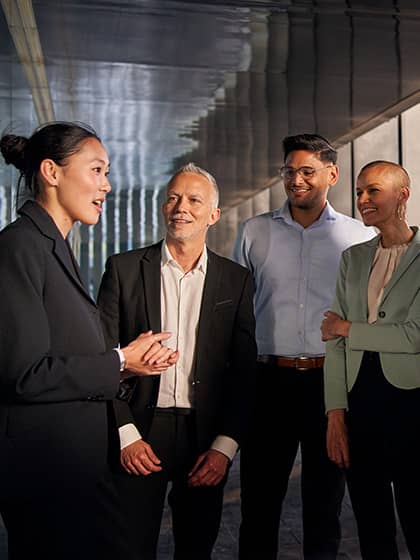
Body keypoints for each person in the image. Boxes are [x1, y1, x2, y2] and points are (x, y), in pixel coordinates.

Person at [0, 121, 178, 560]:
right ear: (51, 172)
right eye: (97, 170)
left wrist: (130, 357)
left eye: (108, 172)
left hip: (74, 468)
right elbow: (24, 374)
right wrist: (119, 360)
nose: (107, 185)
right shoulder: (20, 247)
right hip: (46, 472)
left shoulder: (54, 246)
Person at [97, 162, 257, 560]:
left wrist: (225, 447)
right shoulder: (124, 269)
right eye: (172, 197)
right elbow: (101, 358)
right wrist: (125, 435)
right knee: (129, 547)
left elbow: (243, 371)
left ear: (213, 215)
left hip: (203, 437)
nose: (180, 206)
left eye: (193, 199)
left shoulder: (236, 280)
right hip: (138, 430)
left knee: (196, 548)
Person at [232, 133, 376, 560]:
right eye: (289, 171)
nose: (296, 180)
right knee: (258, 506)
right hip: (267, 383)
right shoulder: (254, 231)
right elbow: (240, 312)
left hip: (329, 386)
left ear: (331, 174)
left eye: (307, 171)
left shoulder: (357, 237)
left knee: (324, 507)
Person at [322, 160, 420, 559]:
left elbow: (415, 336)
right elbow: (332, 342)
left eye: (373, 190)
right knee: (371, 523)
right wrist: (335, 414)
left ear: (403, 194)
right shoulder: (353, 258)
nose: (362, 199)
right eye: (359, 191)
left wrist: (349, 328)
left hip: (413, 405)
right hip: (360, 404)